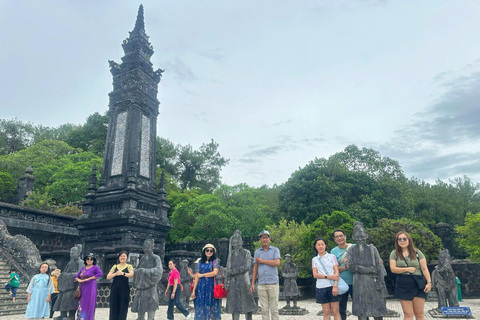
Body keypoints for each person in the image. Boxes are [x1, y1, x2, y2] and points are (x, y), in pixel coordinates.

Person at [346, 221, 388, 320]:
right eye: (357, 237)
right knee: (362, 313)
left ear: (366, 235)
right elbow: (350, 266)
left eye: (362, 236)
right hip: (359, 285)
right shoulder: (351, 250)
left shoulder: (372, 249)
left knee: (377, 312)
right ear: (353, 237)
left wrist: (358, 268)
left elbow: (377, 267)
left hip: (374, 283)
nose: (360, 239)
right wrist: (367, 269)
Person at [389, 231, 432, 320]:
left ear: (409, 240)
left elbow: (424, 268)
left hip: (418, 283)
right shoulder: (394, 253)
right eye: (399, 239)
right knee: (408, 314)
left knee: (419, 313)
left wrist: (429, 282)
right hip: (403, 284)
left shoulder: (417, 252)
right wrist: (407, 269)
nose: (402, 241)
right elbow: (393, 269)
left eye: (404, 239)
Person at [226, 230, 257, 320]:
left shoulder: (246, 252)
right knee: (234, 306)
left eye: (238, 241)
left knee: (247, 305)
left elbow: (246, 267)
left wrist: (233, 271)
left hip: (244, 281)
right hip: (233, 282)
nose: (237, 244)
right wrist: (227, 278)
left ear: (242, 242)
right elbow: (228, 269)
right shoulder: (230, 255)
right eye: (235, 242)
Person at [250, 230, 281, 320]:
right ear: (260, 239)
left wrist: (262, 261)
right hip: (262, 283)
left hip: (273, 283)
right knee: (264, 309)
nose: (265, 239)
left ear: (269, 238)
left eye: (266, 237)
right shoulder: (257, 252)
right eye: (263, 237)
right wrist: (252, 283)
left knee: (274, 309)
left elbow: (277, 262)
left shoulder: (275, 250)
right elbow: (255, 268)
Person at [131, 239, 163, 320]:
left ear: (152, 247)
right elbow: (137, 270)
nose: (146, 249)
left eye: (147, 247)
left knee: (151, 307)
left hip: (151, 287)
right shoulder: (143, 258)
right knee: (140, 308)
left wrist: (144, 271)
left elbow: (159, 270)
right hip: (141, 287)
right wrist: (138, 271)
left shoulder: (156, 258)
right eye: (144, 247)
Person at [312, 237, 341, 320]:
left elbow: (336, 272)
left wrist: (335, 284)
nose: (320, 246)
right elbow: (315, 274)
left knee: (335, 311)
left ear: (325, 246)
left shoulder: (332, 256)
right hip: (321, 286)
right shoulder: (314, 259)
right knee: (326, 312)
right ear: (315, 246)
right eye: (318, 245)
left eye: (322, 244)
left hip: (332, 286)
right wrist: (328, 276)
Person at [190, 244, 221, 320]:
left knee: (212, 308)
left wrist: (203, 275)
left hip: (211, 286)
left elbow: (215, 273)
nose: (209, 252)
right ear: (204, 251)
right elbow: (197, 276)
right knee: (201, 307)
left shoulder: (215, 261)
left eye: (211, 251)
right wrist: (194, 290)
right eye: (207, 250)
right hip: (201, 287)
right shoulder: (200, 262)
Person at [54, 244, 84, 320]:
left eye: (73, 253)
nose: (72, 255)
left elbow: (80, 273)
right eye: (71, 253)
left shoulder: (80, 262)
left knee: (71, 301)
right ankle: (62, 314)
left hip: (73, 286)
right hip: (66, 286)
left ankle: (71, 316)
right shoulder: (70, 262)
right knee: (62, 298)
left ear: (78, 253)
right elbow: (65, 272)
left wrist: (67, 275)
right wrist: (62, 275)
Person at [330, 229, 354, 320]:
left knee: (361, 308)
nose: (339, 238)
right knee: (341, 309)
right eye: (336, 237)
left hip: (356, 282)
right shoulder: (333, 251)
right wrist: (345, 267)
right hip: (341, 283)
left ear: (345, 236)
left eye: (341, 235)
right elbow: (334, 269)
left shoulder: (354, 247)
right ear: (334, 239)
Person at [106, 251, 134, 320]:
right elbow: (108, 276)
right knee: (114, 305)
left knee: (123, 305)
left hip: (124, 289)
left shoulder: (129, 266)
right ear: (119, 258)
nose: (122, 258)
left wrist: (123, 273)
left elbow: (131, 275)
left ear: (126, 257)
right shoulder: (115, 266)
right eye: (121, 256)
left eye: (124, 256)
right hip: (115, 288)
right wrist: (115, 274)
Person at [74, 254, 103, 320]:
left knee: (89, 302)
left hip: (90, 287)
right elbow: (76, 276)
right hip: (82, 287)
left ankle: (88, 318)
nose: (89, 261)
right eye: (88, 259)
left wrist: (89, 278)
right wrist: (79, 279)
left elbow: (100, 274)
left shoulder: (95, 268)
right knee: (81, 303)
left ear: (93, 260)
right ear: (85, 260)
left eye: (91, 259)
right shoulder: (83, 269)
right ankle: (81, 317)